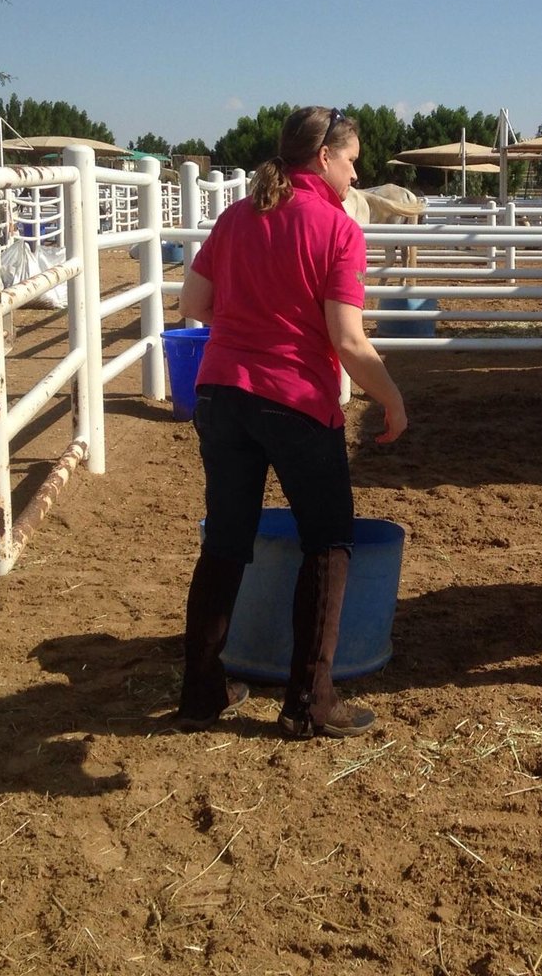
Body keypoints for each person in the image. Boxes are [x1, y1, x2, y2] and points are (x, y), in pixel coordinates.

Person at [171, 106, 407, 739]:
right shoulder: (336, 229)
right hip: (295, 401)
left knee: (224, 542)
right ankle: (309, 701)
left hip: (220, 394)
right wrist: (392, 399)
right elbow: (348, 342)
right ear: (323, 158)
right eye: (352, 162)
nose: (355, 177)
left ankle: (200, 691)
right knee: (328, 542)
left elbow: (191, 304)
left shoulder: (237, 216)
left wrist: (253, 315)